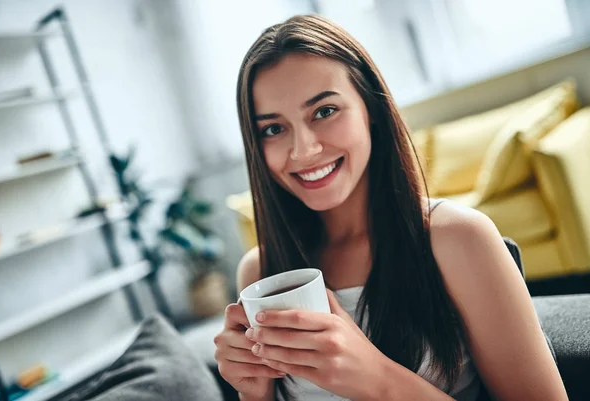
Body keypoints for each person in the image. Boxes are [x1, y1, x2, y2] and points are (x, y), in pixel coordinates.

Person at [214, 14, 567, 401]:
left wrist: (378, 378)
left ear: (371, 108)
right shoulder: (260, 272)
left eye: (325, 111)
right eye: (273, 129)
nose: (304, 150)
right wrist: (253, 393)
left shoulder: (457, 239)